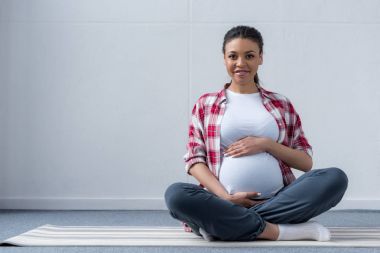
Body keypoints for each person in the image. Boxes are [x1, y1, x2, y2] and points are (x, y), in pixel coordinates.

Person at [164, 25, 348, 242]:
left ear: (260, 58)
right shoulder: (206, 104)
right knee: (175, 195)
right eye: (233, 56)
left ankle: (222, 225)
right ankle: (278, 231)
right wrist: (226, 198)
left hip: (278, 200)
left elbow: (305, 163)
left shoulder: (281, 104)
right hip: (221, 200)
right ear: (224, 59)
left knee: (335, 178)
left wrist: (266, 144)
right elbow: (195, 160)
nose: (241, 63)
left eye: (249, 56)